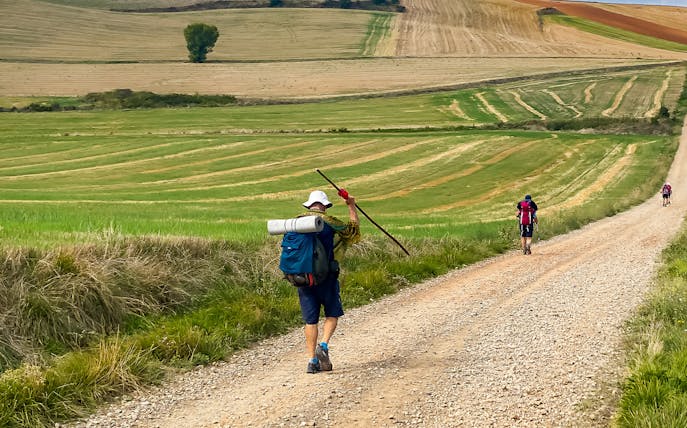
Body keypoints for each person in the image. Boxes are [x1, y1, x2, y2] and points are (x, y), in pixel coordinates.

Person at [297, 190, 360, 374]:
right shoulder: (331, 222)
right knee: (332, 314)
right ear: (325, 206)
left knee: (310, 321)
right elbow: (353, 232)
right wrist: (351, 206)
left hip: (304, 279)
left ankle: (312, 361)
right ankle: (323, 345)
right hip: (327, 277)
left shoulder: (295, 223)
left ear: (309, 206)